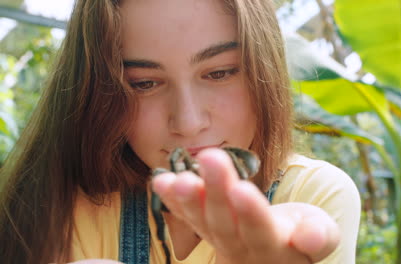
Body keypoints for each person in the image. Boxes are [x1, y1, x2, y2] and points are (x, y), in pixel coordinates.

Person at [0, 0, 361, 263]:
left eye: (219, 73)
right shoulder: (60, 204)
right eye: (143, 84)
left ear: (262, 69)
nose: (189, 123)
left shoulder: (311, 196)